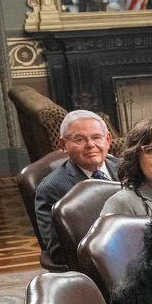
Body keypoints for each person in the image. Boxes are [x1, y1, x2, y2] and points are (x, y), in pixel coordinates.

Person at [34, 109, 120, 266]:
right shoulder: (52, 188)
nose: (90, 145)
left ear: (107, 140)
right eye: (79, 139)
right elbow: (58, 252)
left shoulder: (127, 170)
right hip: (92, 266)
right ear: (63, 145)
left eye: (96, 137)